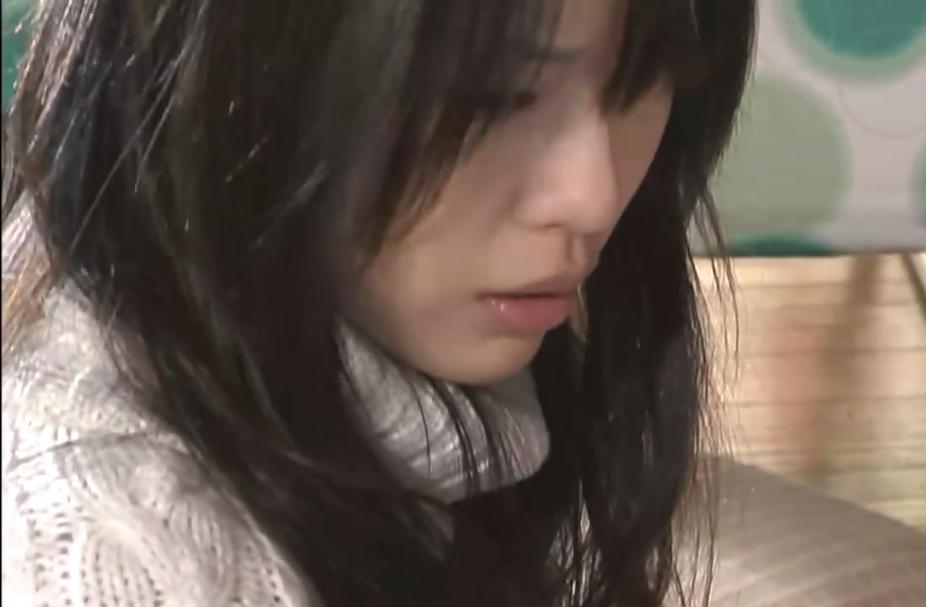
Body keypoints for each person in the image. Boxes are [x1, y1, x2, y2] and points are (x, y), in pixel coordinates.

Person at [1, 0, 755, 605]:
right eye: (490, 96)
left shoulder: (421, 402)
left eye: (644, 82)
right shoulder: (108, 555)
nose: (592, 198)